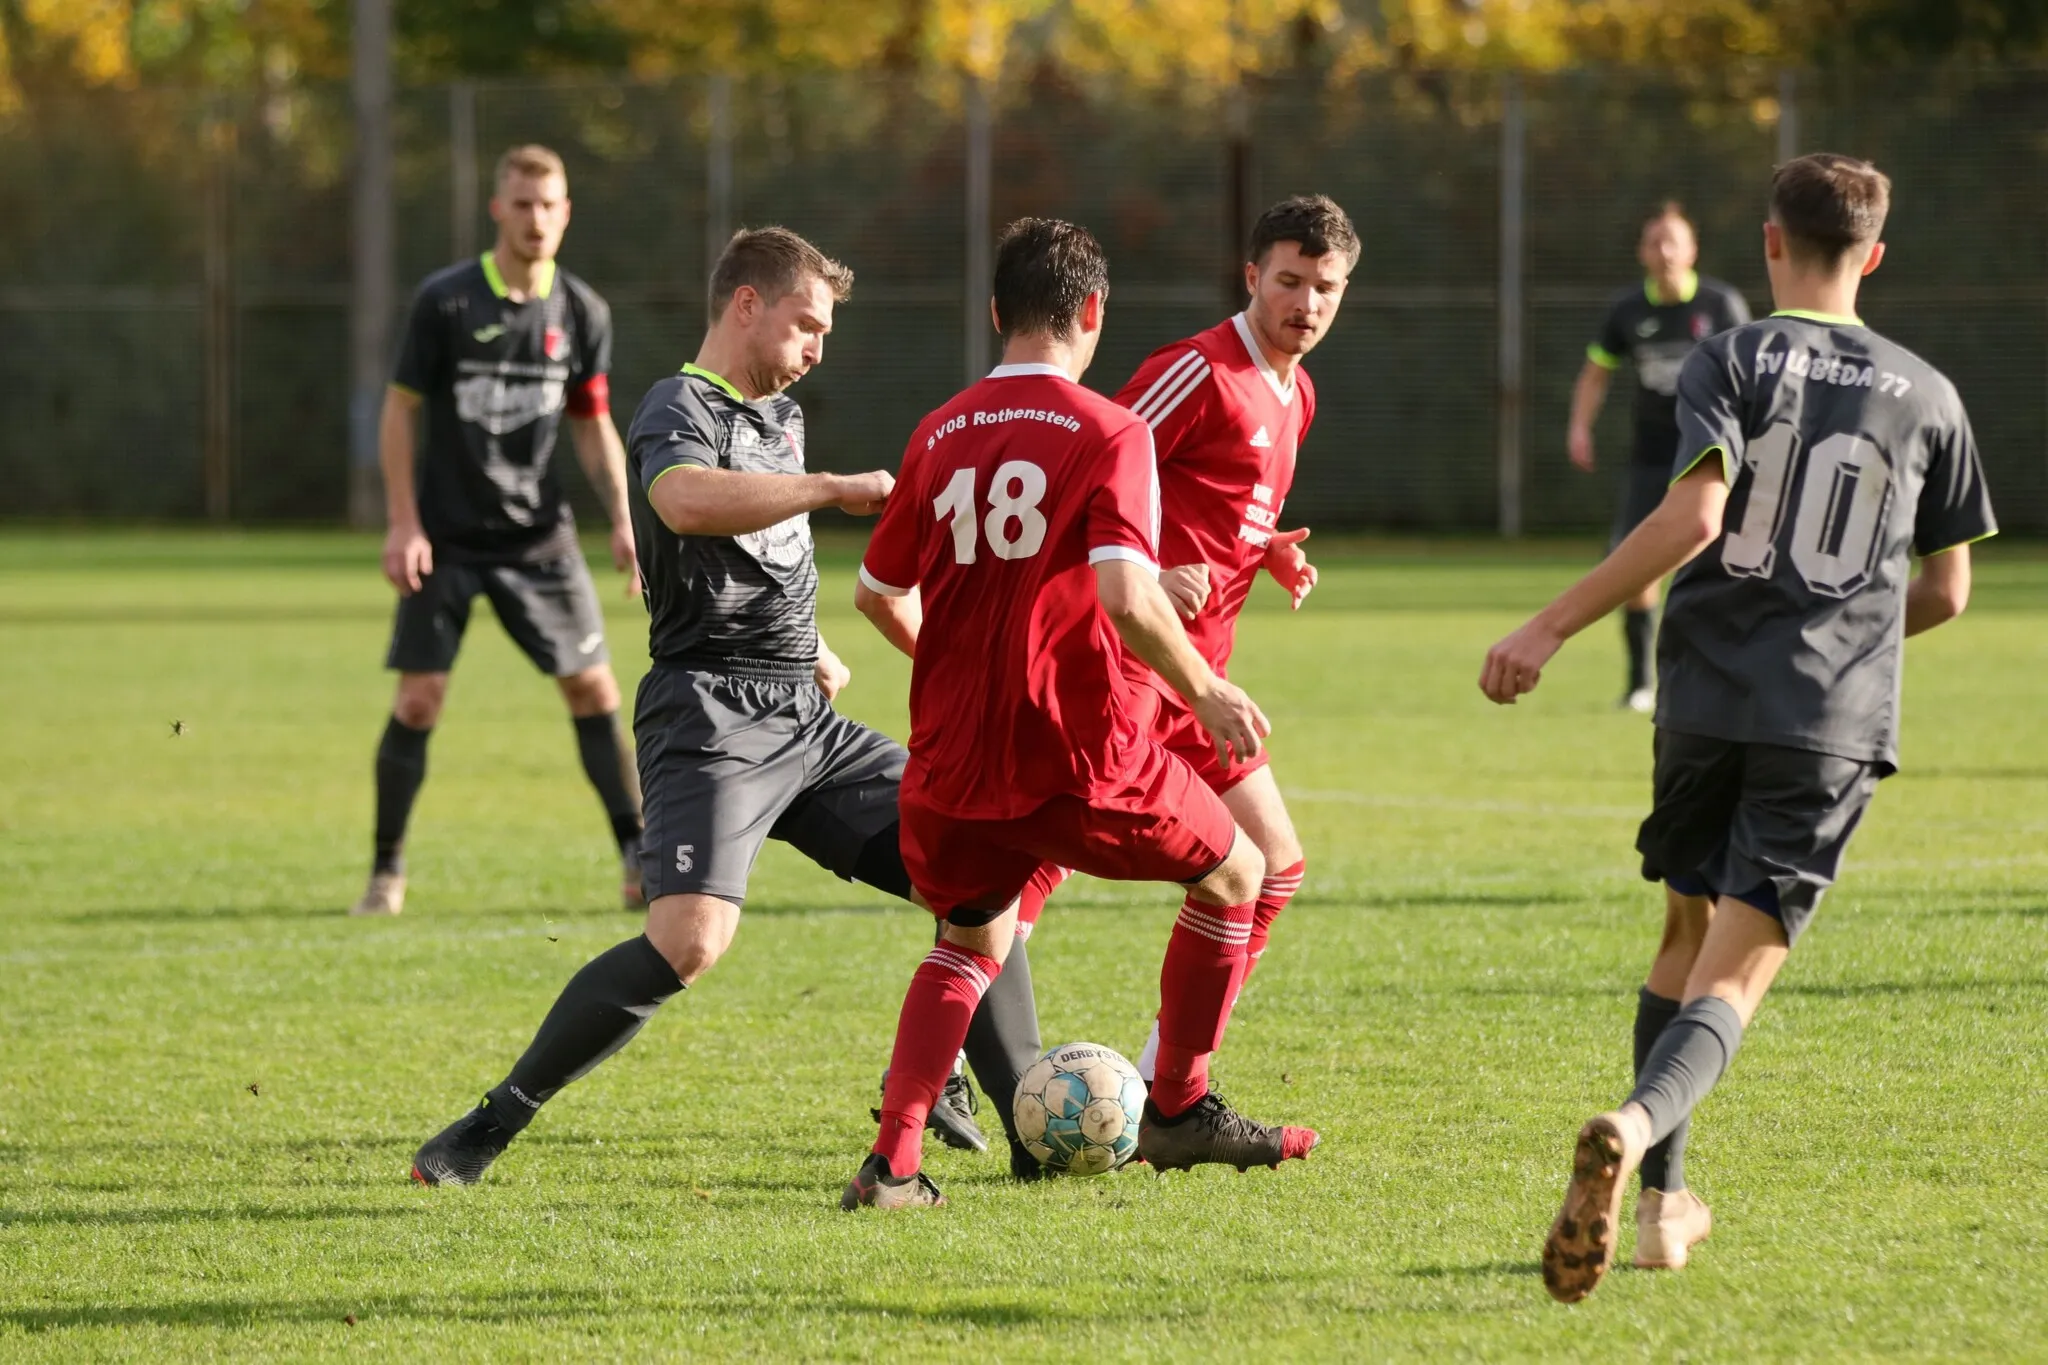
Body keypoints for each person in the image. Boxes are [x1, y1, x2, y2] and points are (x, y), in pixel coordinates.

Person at [408, 226, 1040, 1184]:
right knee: (689, 941)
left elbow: (757, 553)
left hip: (804, 719)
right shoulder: (677, 403)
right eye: (807, 325)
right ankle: (487, 1125)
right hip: (709, 712)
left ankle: (1027, 1123)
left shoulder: (780, 417)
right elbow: (684, 503)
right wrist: (831, 489)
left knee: (978, 871)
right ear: (748, 304)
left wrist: (807, 641)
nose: (818, 348)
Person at [1481, 154, 1995, 1303]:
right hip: (1823, 718)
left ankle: (1659, 1212)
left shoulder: (1726, 354)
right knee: (1735, 975)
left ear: (1768, 242)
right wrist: (1844, 636)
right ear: (1872, 255)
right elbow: (1947, 590)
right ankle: (1632, 1129)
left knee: (1681, 934)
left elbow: (1692, 517)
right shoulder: (1928, 392)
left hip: (1701, 700)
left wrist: (1547, 627)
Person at [843, 218, 1318, 1211]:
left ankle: (891, 1164)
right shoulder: (1109, 430)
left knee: (968, 943)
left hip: (951, 761)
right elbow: (1127, 597)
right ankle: (1178, 1103)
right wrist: (1204, 688)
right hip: (1073, 752)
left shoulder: (937, 429)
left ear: (994, 311)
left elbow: (877, 594)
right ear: (1093, 311)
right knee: (1240, 871)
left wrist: (961, 672)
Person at [354, 145, 644, 917]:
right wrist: (403, 523)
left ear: (567, 212)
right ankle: (386, 871)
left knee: (593, 686)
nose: (536, 219)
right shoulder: (446, 302)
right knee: (419, 699)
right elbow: (399, 409)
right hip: (446, 536)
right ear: (497, 210)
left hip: (537, 538)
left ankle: (637, 855)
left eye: (549, 205)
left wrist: (623, 518)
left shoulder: (581, 311)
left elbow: (592, 422)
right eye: (522, 204)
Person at [1109, 193, 1356, 1083]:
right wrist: (1147, 569)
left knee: (1276, 867)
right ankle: (952, 1053)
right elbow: (1088, 468)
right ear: (1252, 276)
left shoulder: (1299, 393)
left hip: (1200, 681)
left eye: (1325, 288)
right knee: (1034, 869)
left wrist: (1269, 548)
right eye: (1288, 281)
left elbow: (1220, 503)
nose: (1306, 303)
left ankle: (1160, 1083)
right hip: (1128, 663)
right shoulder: (1198, 370)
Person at [1566, 203, 1751, 714]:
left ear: (1693, 250)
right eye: (1655, 242)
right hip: (1651, 457)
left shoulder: (1721, 305)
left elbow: (1751, 377)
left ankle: (1726, 677)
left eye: (1674, 241)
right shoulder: (1627, 310)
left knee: (1726, 563)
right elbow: (1596, 373)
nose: (1665, 251)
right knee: (1636, 564)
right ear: (1642, 252)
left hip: (1712, 456)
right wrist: (1579, 426)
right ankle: (1639, 683)